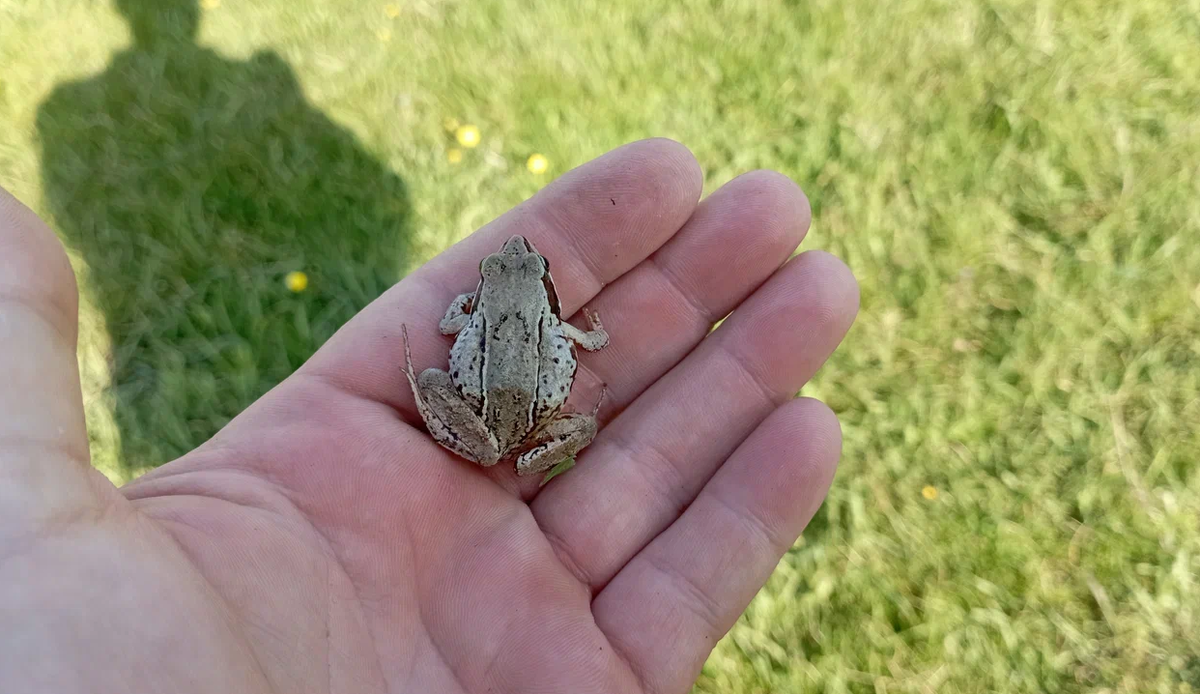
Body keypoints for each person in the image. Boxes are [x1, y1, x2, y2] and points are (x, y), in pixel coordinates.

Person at [1, 139, 858, 693]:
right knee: (585, 423)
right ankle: (544, 457)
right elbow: (589, 335)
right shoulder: (564, 317)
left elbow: (453, 326)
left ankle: (502, 440)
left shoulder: (476, 305)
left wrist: (438, 361)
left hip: (484, 410)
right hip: (533, 421)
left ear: (503, 286)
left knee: (454, 386)